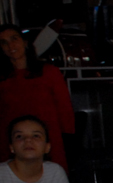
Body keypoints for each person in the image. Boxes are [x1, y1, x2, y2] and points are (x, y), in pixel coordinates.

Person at [0, 24, 75, 170]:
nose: (10, 46)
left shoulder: (49, 73)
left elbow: (65, 109)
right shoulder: (2, 79)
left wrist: (68, 141)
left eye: (14, 39)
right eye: (4, 42)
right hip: (12, 142)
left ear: (25, 42)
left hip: (48, 141)